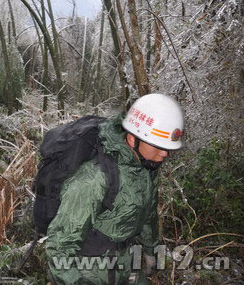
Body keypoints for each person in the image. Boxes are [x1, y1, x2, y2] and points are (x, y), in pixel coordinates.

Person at [45, 93, 184, 284]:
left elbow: (148, 214)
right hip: (88, 271)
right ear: (133, 139)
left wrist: (152, 251)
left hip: (125, 263)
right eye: (158, 145)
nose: (165, 153)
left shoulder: (147, 169)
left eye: (168, 147)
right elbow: (60, 244)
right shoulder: (95, 178)